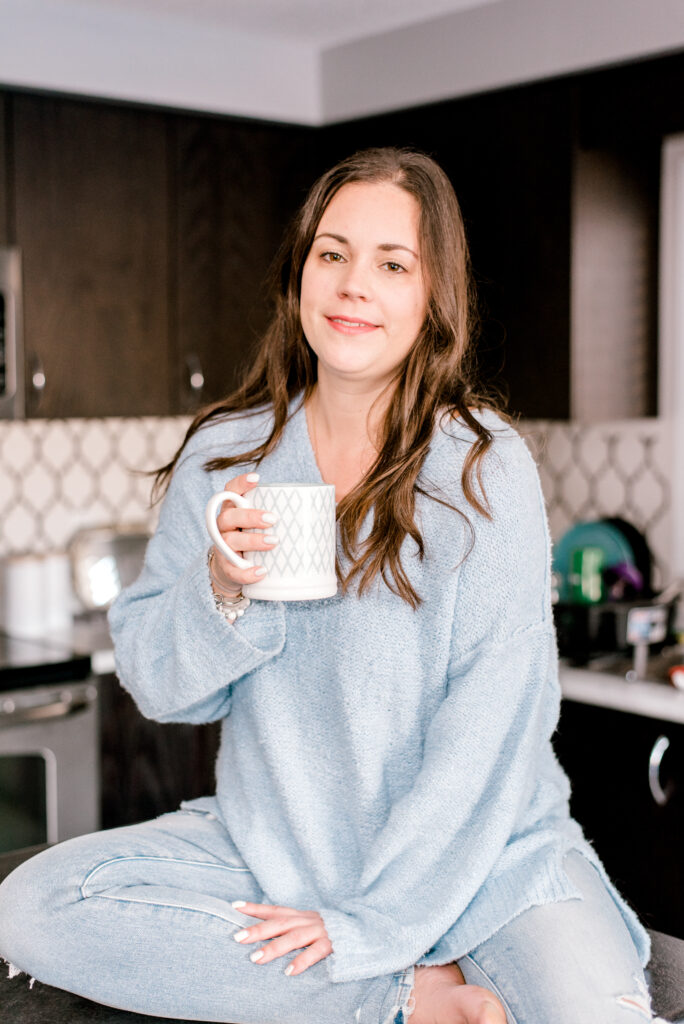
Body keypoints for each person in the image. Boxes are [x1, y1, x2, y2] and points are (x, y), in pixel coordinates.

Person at [0, 147, 657, 1024]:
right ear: (300, 271)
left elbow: (493, 731)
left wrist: (375, 923)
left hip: (484, 854)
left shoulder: (484, 467)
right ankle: (415, 1000)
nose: (354, 285)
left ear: (433, 297)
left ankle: (382, 967)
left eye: (392, 265)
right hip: (278, 846)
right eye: (333, 253)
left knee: (599, 1015)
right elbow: (160, 685)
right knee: (34, 904)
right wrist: (225, 584)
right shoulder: (229, 455)